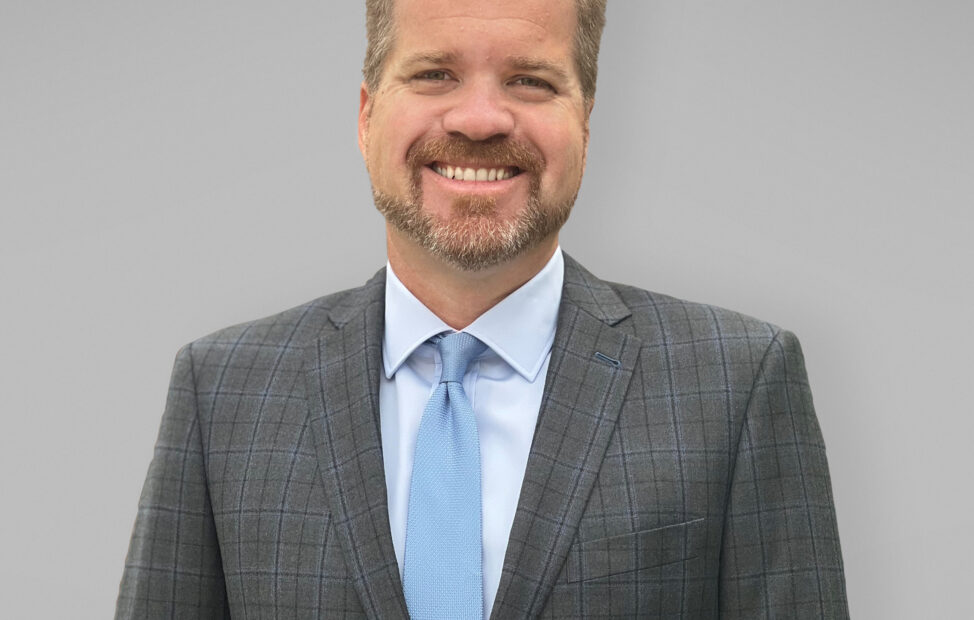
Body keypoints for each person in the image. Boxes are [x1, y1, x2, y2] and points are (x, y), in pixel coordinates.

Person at [116, 0, 849, 618]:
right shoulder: (223, 391)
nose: (479, 119)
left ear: (585, 123)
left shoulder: (737, 383)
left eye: (530, 81)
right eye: (435, 74)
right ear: (367, 116)